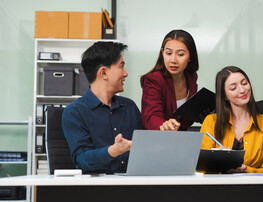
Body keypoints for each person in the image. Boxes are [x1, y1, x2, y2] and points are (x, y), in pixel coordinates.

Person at [62, 41, 142, 174]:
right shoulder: (74, 112)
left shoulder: (130, 107)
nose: (125, 73)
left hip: (133, 185)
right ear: (103, 73)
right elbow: (82, 159)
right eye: (121, 66)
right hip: (95, 190)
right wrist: (114, 150)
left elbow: (143, 148)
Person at [200, 66, 263, 173]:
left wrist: (247, 170)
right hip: (218, 187)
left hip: (254, 187)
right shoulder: (211, 122)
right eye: (233, 88)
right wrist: (216, 160)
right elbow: (201, 169)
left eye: (244, 83)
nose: (242, 90)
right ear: (225, 96)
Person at [140, 29, 199, 131]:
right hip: (158, 140)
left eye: (180, 54)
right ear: (162, 53)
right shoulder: (154, 80)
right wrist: (163, 125)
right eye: (168, 53)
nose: (173, 60)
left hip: (182, 141)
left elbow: (186, 119)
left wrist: (199, 115)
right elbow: (151, 116)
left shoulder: (192, 77)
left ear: (190, 56)